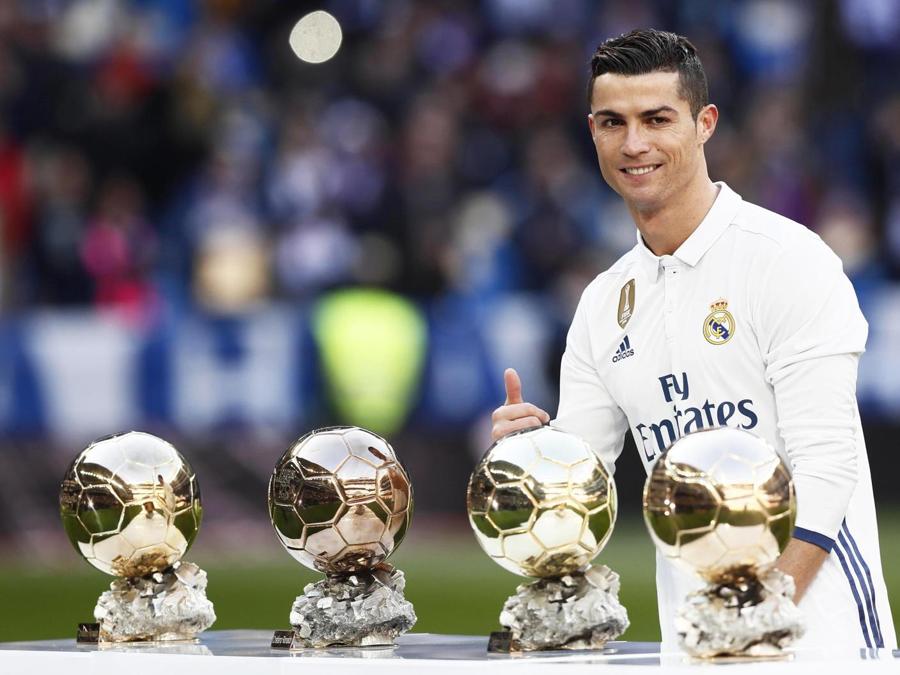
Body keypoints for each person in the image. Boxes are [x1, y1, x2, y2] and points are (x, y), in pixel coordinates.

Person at [491, 28, 896, 651]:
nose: (634, 144)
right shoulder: (603, 303)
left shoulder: (786, 260)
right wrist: (534, 464)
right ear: (591, 130)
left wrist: (759, 616)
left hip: (820, 643)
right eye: (611, 122)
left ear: (705, 123)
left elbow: (827, 464)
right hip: (698, 648)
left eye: (657, 119)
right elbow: (584, 484)